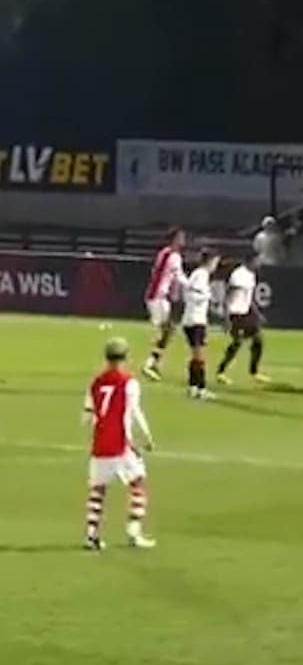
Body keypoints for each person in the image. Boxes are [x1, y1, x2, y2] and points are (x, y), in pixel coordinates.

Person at [82, 337, 156, 551]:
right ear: (125, 357)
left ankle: (91, 535)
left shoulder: (96, 382)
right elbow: (135, 411)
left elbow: (87, 416)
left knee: (97, 490)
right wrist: (147, 436)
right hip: (121, 444)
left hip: (100, 444)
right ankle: (134, 531)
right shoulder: (129, 382)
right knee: (138, 484)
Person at [142, 227, 187, 381]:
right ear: (175, 239)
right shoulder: (173, 256)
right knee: (164, 332)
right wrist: (192, 287)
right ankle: (149, 364)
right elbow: (178, 276)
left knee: (168, 331)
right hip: (157, 297)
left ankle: (153, 363)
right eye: (181, 237)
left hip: (159, 296)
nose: (183, 240)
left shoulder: (165, 253)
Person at [216, 255, 269, 385]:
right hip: (235, 313)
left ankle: (254, 372)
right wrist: (226, 318)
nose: (259, 265)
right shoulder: (238, 275)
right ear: (250, 261)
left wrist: (257, 313)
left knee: (258, 340)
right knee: (237, 343)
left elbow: (248, 298)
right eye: (257, 262)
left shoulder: (251, 276)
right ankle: (221, 371)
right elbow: (228, 296)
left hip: (246, 313)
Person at [182, 249, 220, 400]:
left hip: (192, 319)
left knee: (196, 355)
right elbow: (192, 294)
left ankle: (193, 387)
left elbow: (188, 292)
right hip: (195, 320)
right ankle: (201, 389)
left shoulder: (197, 275)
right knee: (200, 356)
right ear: (210, 261)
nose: (216, 265)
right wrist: (207, 296)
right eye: (215, 262)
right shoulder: (201, 275)